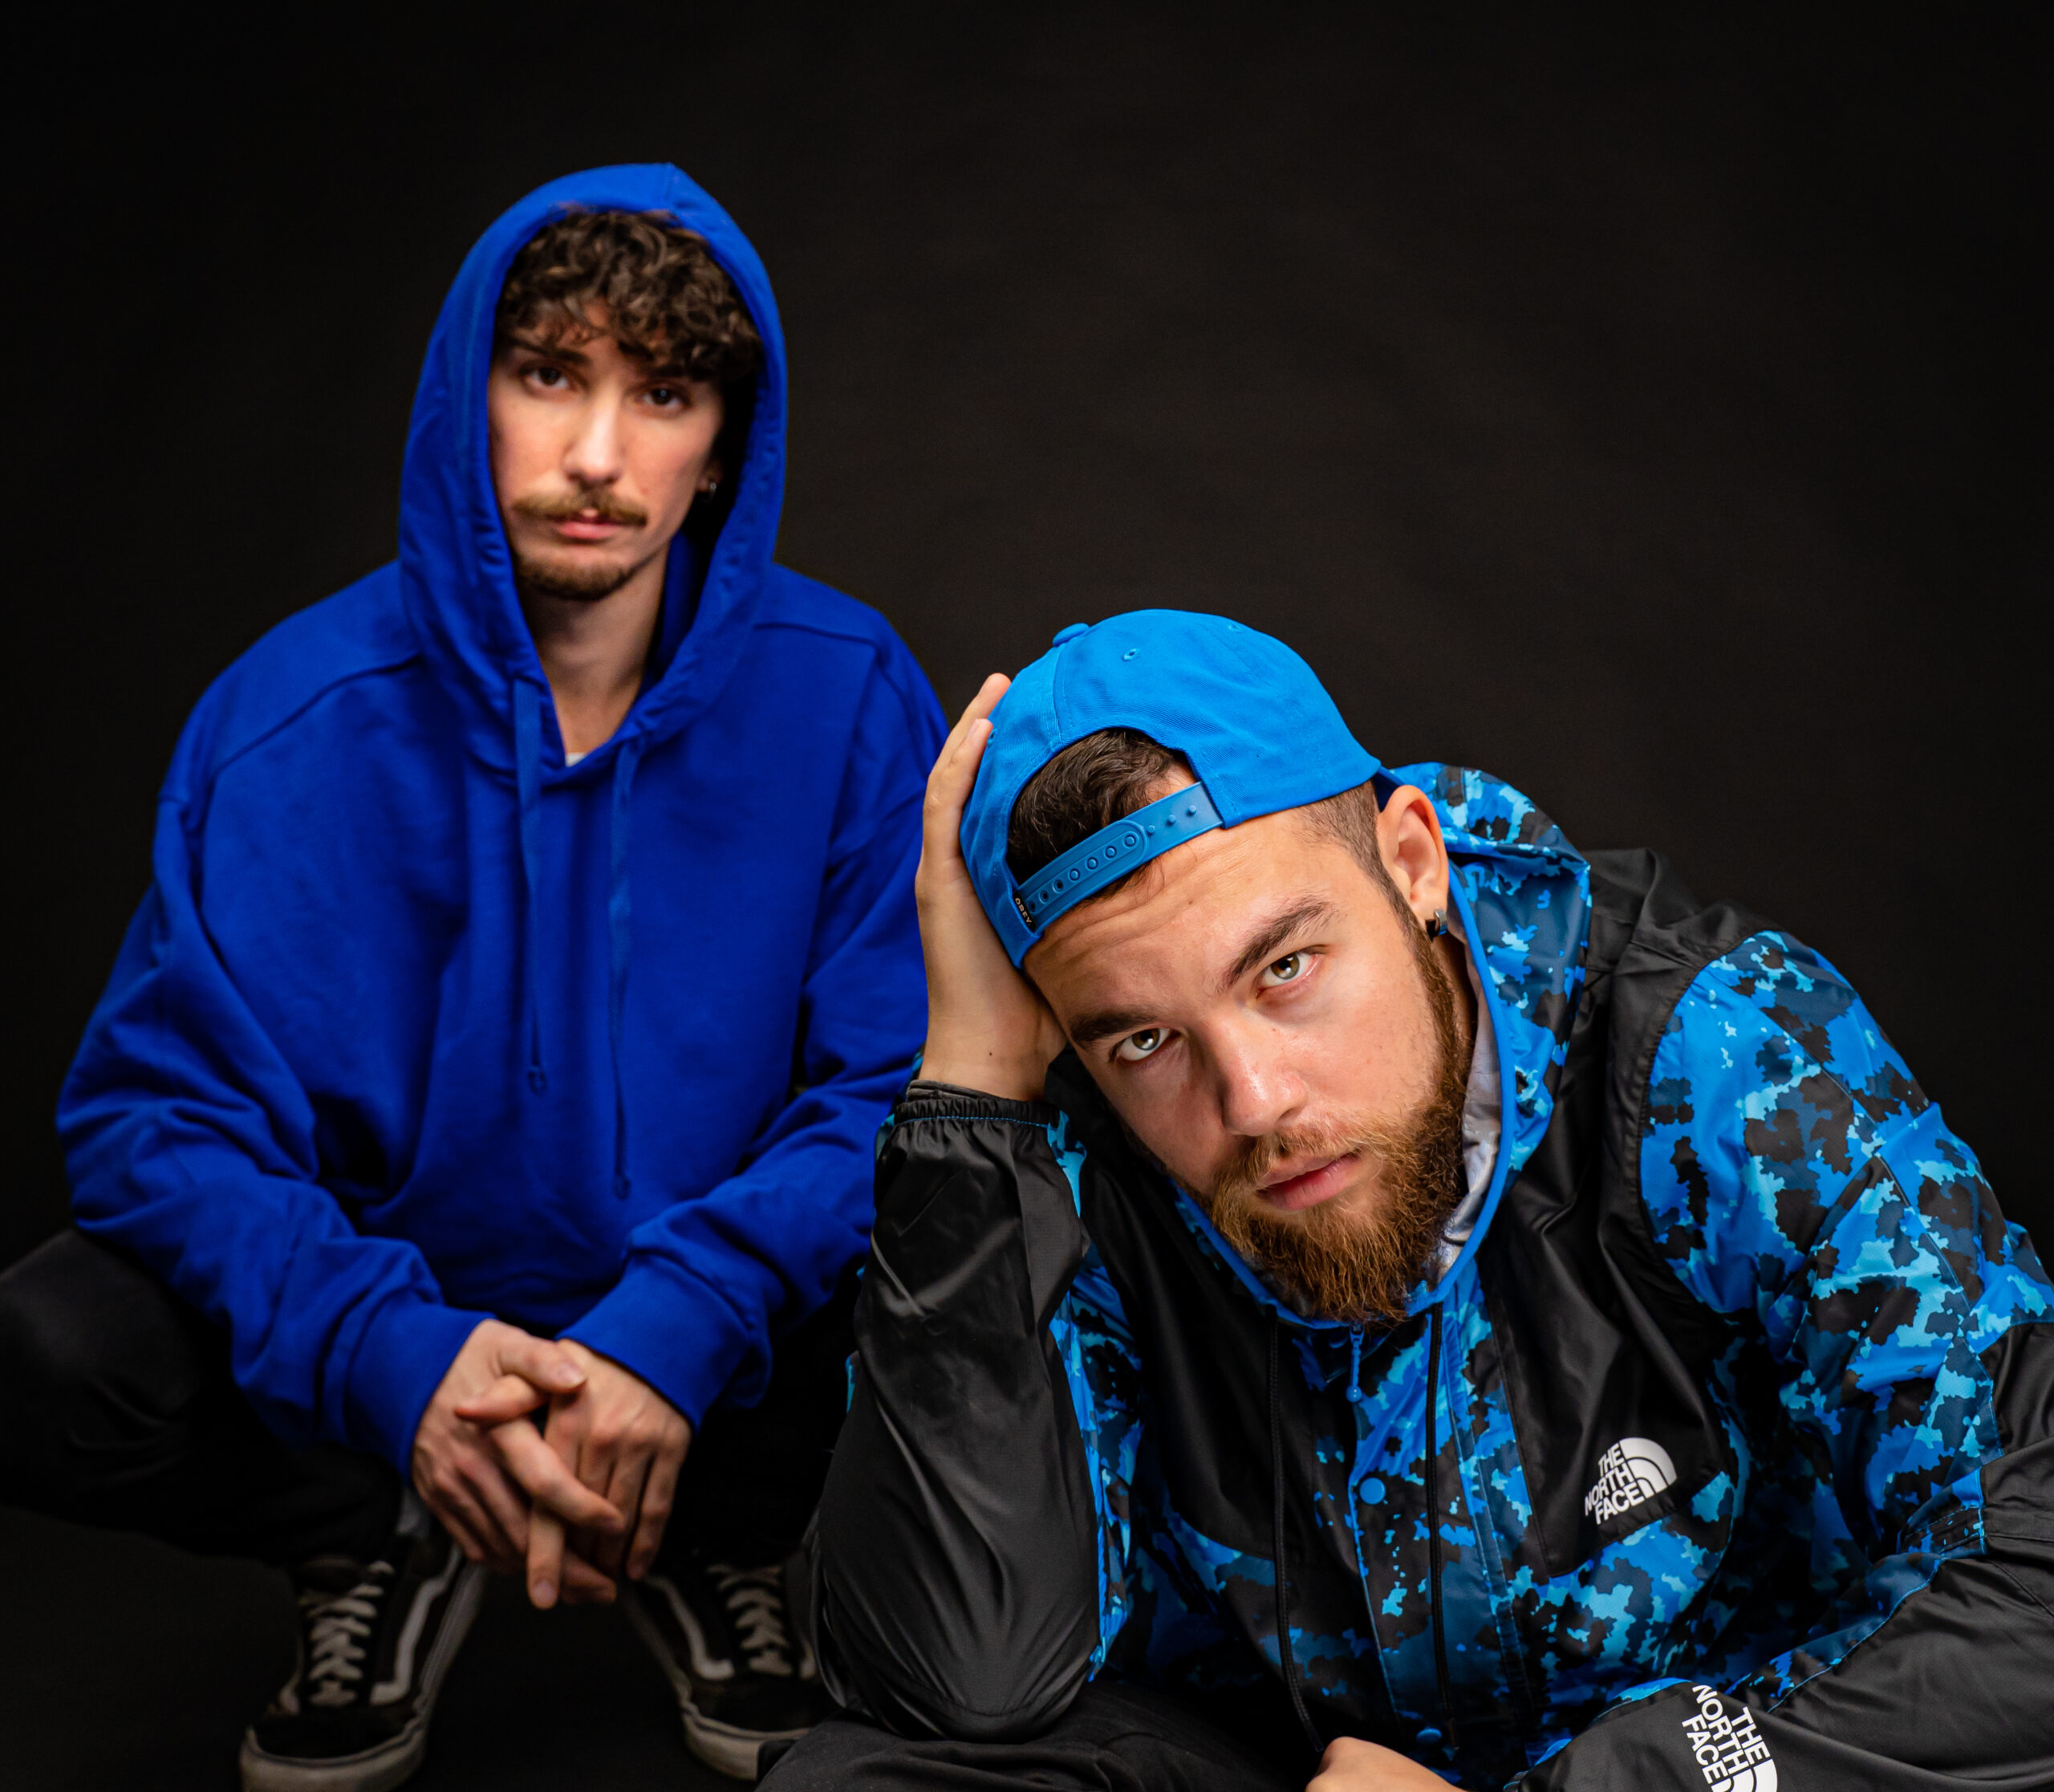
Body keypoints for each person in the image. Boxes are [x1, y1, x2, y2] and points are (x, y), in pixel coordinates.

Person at [0, 165, 943, 1789]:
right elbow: (156, 1122)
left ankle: (714, 1537)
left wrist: (682, 1321)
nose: (598, 456)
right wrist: (390, 1356)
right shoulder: (287, 714)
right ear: (467, 397)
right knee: (45, 1353)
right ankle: (372, 1530)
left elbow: (900, 1078)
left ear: (725, 442)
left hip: (720, 1342)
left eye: (663, 394)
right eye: (550, 376)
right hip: (395, 1327)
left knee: (1003, 1268)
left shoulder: (846, 693)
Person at [777, 612, 2053, 1791]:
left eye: (1286, 967)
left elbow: (2032, 1586)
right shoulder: (1068, 1147)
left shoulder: (1711, 1051)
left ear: (1413, 860)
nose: (1254, 1101)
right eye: (1146, 1040)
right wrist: (971, 1089)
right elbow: (958, 1673)